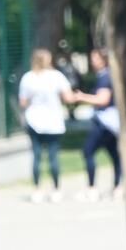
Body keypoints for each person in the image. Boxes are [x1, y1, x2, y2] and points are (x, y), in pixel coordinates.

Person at [18, 49, 79, 202]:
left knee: (37, 156)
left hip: (34, 120)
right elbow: (68, 97)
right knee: (53, 156)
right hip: (53, 121)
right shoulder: (57, 77)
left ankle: (37, 189)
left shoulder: (28, 78)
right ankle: (56, 189)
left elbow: (23, 102)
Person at [72, 48, 122, 201]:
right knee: (115, 154)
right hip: (110, 122)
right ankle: (117, 187)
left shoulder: (105, 77)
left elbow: (103, 99)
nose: (92, 61)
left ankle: (93, 187)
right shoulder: (106, 76)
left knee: (88, 150)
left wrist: (81, 97)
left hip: (105, 122)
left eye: (95, 58)